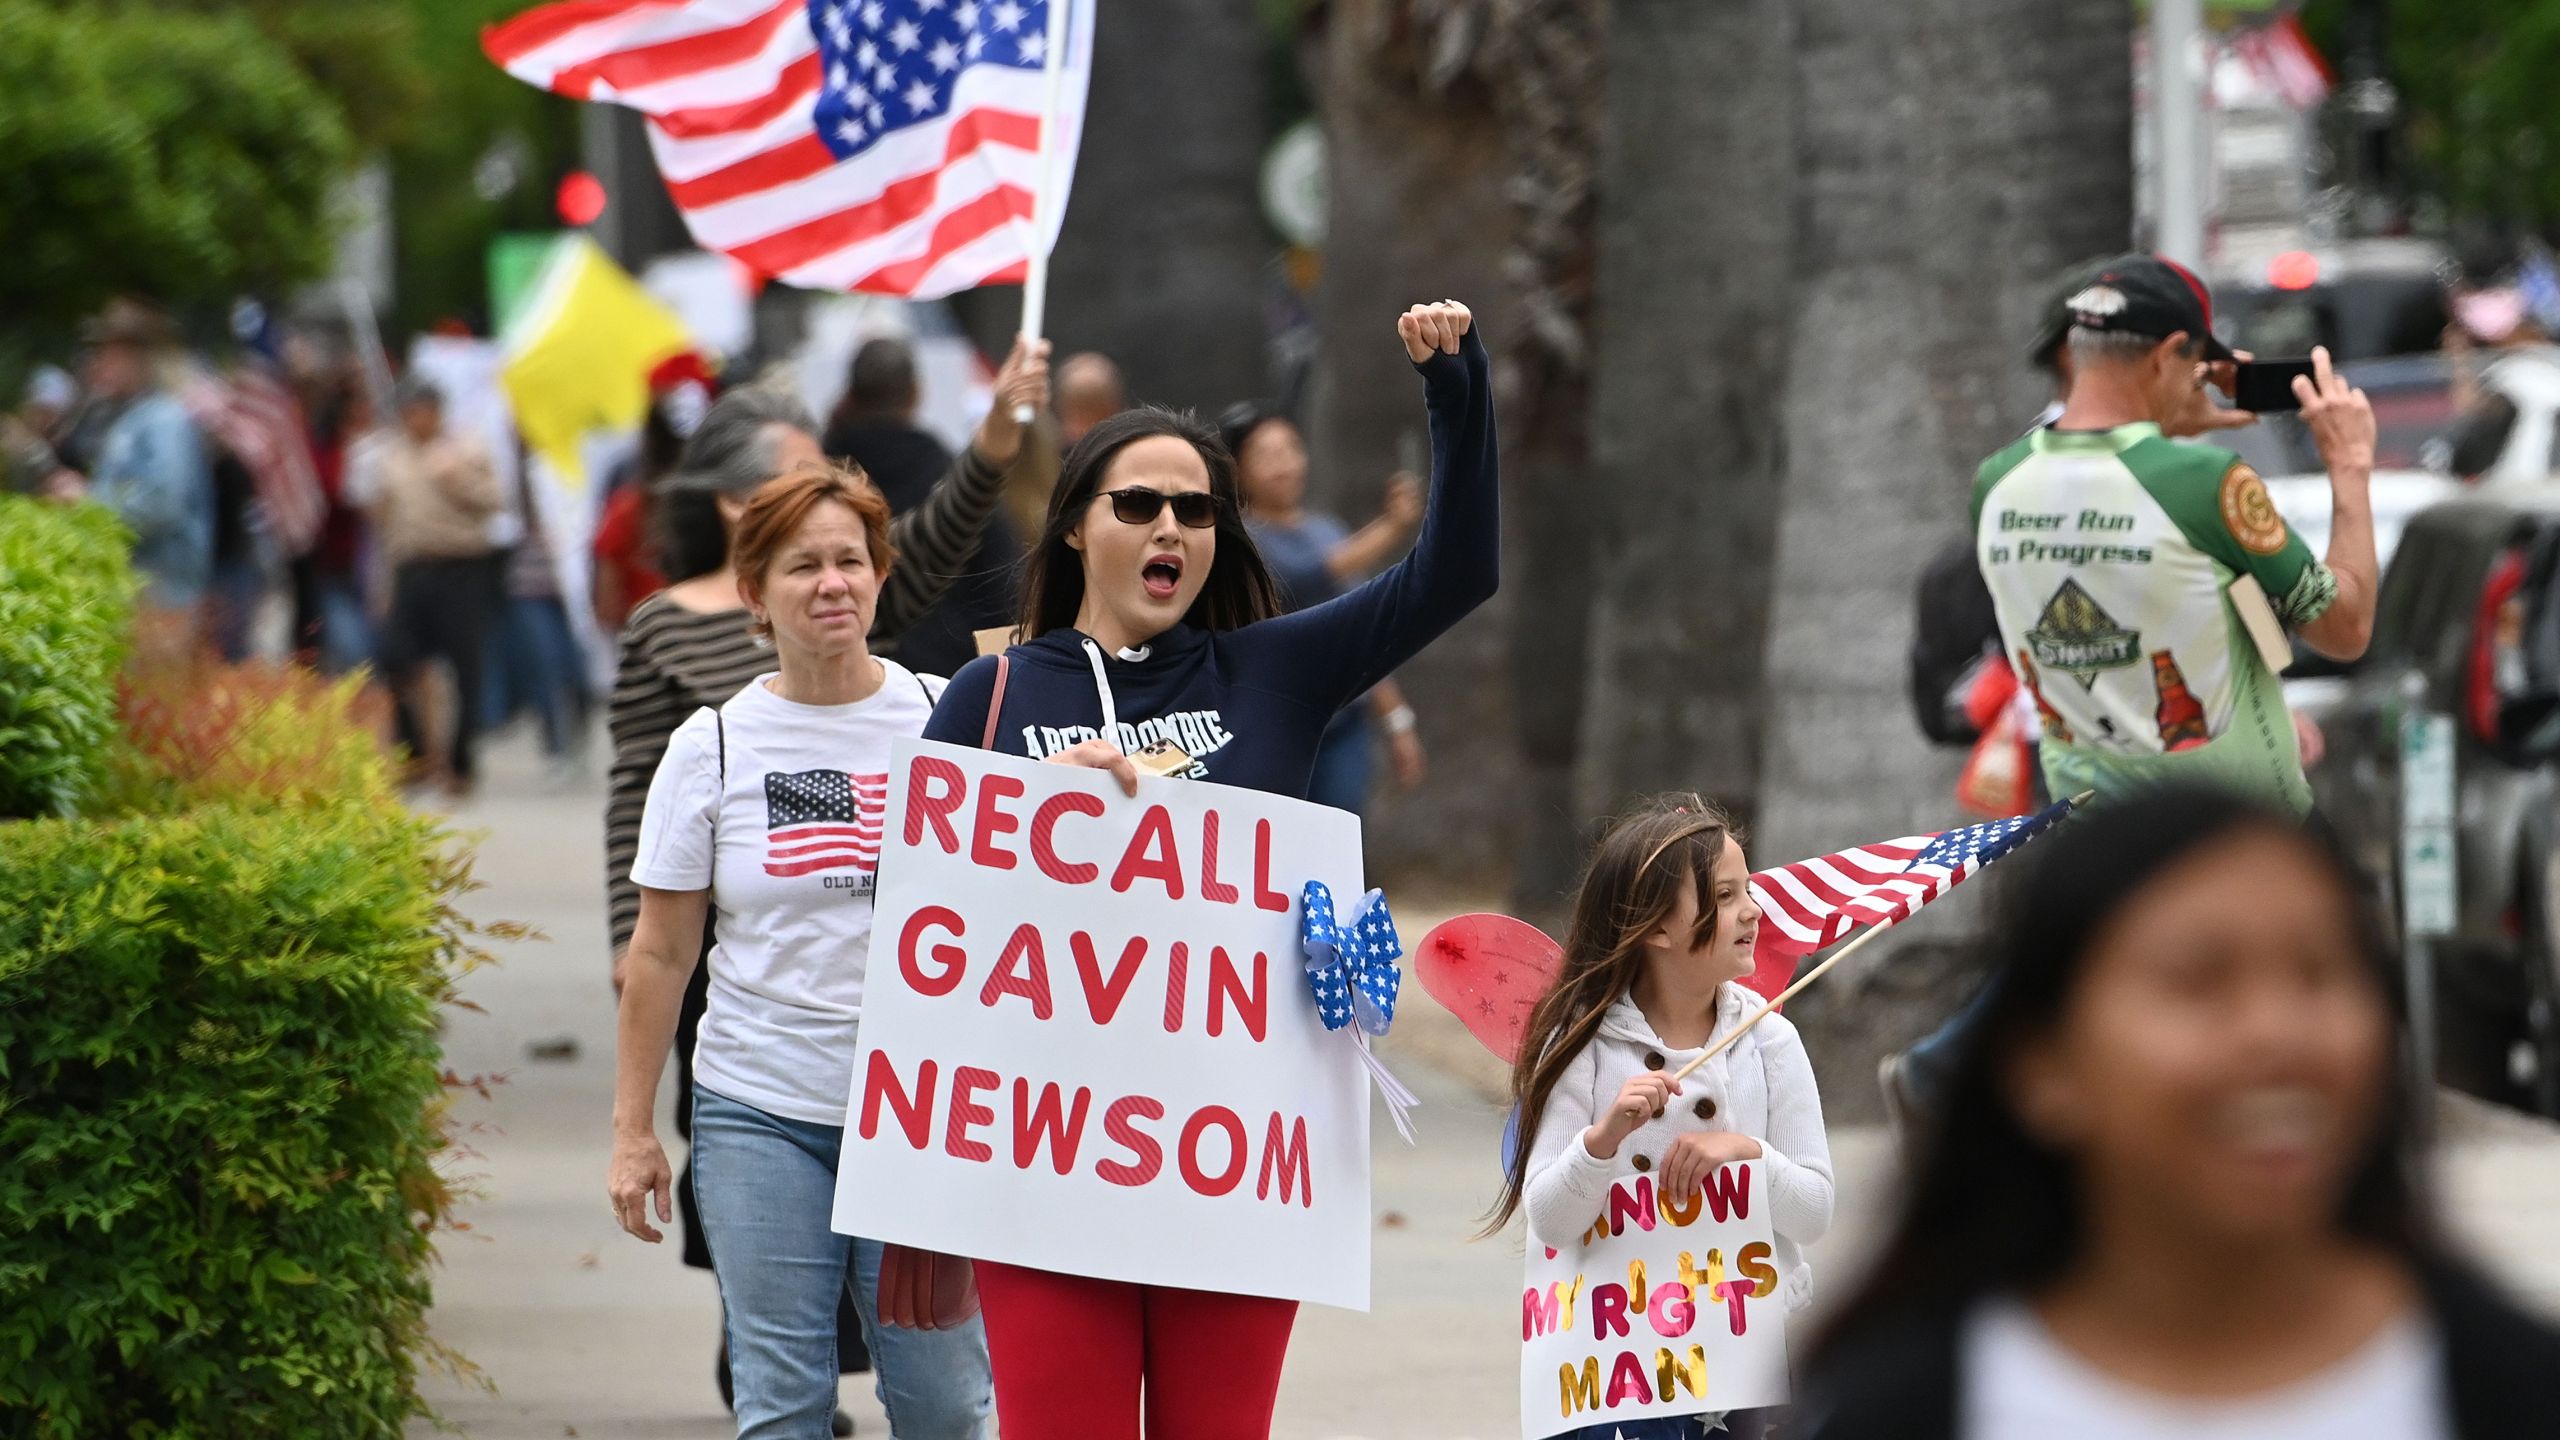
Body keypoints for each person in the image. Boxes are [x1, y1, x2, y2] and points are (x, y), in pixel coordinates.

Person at [920, 300, 1497, 1439]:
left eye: (1196, 508)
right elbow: (921, 940)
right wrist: (1043, 816)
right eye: (1138, 503)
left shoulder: (1273, 673)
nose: (1170, 525)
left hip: (1229, 1172)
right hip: (1043, 1176)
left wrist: (1457, 391)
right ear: (1079, 526)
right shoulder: (984, 703)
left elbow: (1457, 572)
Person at [1800, 787, 2560, 1440]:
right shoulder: (1907, 1408)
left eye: (2321, 972)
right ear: (2041, 1065)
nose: (2277, 1033)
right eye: (2198, 979)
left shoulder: (2508, 1394)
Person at [603, 342, 1048, 1421]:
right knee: (783, 1400)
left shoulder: (954, 718)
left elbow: (1042, 895)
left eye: (849, 560)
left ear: (882, 576)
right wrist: (631, 1132)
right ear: (752, 592)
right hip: (759, 1112)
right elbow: (662, 952)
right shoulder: (710, 746)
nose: (830, 584)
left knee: (942, 1401)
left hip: (924, 1117)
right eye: (801, 565)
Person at [1971, 254, 2378, 816]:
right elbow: (2345, 629)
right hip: (2231, 839)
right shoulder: (2203, 483)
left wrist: (2161, 422)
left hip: (2090, 839)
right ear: (2166, 357)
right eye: (2194, 367)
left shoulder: (1996, 482)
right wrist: (2350, 464)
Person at [1488, 795, 1833, 1440]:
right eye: (1725, 896)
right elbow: (1551, 1218)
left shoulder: (1770, 1041)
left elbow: (1814, 1212)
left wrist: (1748, 1153)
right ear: (1657, 928)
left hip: (1744, 1355)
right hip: (1615, 1360)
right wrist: (1604, 1139)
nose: (1751, 912)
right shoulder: (1581, 1044)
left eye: (1747, 890)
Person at [1223, 402, 1430, 809]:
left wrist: (1398, 719)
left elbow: (1359, 630)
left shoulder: (1325, 529)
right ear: (1239, 470)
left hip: (1343, 726)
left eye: (1291, 449)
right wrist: (1393, 524)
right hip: (1276, 724)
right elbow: (1311, 573)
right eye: (1267, 454)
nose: (1284, 464)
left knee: (1342, 842)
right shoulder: (1243, 539)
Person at [826, 337, 1030, 679]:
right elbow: (1004, 588)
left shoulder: (823, 482)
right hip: (959, 674)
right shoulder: (951, 479)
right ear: (915, 394)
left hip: (851, 675)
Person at [359, 378, 504, 797]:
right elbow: (385, 527)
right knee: (394, 659)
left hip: (461, 566)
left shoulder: (466, 449)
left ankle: (460, 762)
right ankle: (416, 751)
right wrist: (383, 584)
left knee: (466, 668)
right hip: (412, 567)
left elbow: (496, 502)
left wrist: (457, 480)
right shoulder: (390, 456)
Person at [45, 301, 214, 657]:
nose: (99, 363)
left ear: (142, 359)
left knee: (154, 701)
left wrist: (86, 499)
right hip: (145, 593)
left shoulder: (163, 419)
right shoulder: (138, 415)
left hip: (161, 596)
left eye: (110, 353)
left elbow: (161, 503)